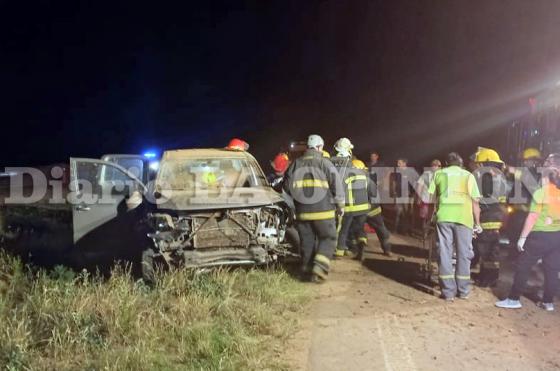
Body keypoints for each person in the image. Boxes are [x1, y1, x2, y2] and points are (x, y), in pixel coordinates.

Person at [495, 153, 560, 312]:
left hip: (539, 235)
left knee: (523, 265)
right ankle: (548, 302)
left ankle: (513, 299)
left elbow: (532, 217)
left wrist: (522, 238)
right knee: (552, 269)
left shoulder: (541, 192)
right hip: (556, 236)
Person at [283, 134, 345, 282]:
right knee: (328, 238)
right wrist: (340, 205)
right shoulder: (325, 163)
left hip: (302, 213)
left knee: (307, 242)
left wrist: (293, 207)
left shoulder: (295, 164)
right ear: (319, 147)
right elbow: (337, 185)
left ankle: (305, 270)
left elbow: (286, 188)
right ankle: (320, 267)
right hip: (324, 212)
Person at [428, 152, 481, 301]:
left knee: (444, 253)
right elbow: (475, 202)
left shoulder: (439, 174)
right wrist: (477, 223)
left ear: (446, 163)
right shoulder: (469, 176)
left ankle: (448, 292)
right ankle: (463, 291)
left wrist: (431, 218)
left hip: (444, 217)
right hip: (465, 219)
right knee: (464, 254)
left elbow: (432, 198)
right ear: (461, 163)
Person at [471, 148, 508, 287]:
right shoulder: (500, 176)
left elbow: (480, 199)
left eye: (479, 163)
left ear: (485, 163)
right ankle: (489, 276)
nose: (477, 166)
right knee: (491, 250)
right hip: (497, 216)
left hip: (487, 217)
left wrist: (476, 214)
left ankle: (487, 279)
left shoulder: (484, 176)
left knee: (486, 250)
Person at [330, 138, 370, 258]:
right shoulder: (361, 173)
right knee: (359, 228)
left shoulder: (336, 165)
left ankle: (339, 251)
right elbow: (369, 189)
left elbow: (339, 187)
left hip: (350, 206)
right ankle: (361, 245)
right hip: (364, 207)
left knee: (343, 229)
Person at [349, 159, 393, 257]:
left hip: (359, 211)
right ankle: (387, 249)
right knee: (380, 229)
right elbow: (375, 195)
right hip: (373, 210)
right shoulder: (368, 180)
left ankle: (360, 250)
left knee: (359, 230)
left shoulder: (349, 181)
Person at [391, 158, 418, 234]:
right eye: (397, 163)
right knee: (397, 212)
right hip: (399, 195)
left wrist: (413, 192)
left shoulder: (411, 171)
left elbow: (418, 180)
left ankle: (408, 231)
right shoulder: (397, 171)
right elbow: (394, 182)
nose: (398, 165)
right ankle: (395, 229)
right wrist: (394, 191)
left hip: (408, 196)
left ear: (404, 163)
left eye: (399, 163)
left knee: (407, 213)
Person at [416, 159, 442, 234]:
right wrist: (419, 197)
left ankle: (426, 232)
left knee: (430, 218)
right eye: (436, 165)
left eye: (439, 166)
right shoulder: (426, 174)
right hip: (425, 199)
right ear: (432, 166)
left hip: (434, 201)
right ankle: (424, 232)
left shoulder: (440, 175)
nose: (438, 167)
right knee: (424, 217)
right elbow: (419, 186)